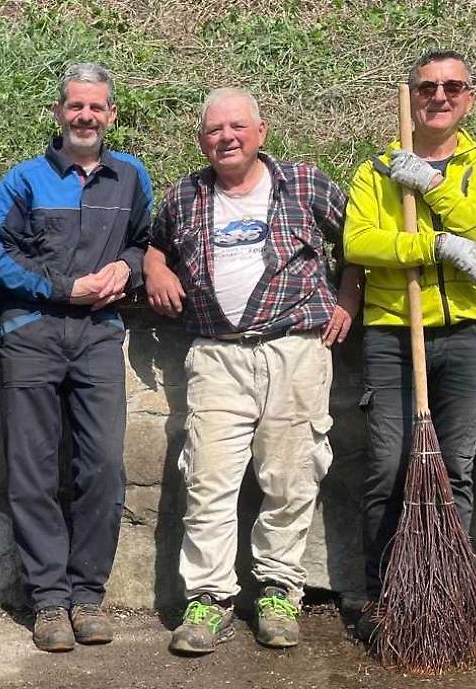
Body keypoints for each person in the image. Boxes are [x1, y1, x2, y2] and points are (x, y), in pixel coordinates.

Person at [145, 87, 361, 654]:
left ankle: (278, 593)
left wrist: (349, 301)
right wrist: (155, 268)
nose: (227, 138)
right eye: (215, 131)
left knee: (291, 479)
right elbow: (154, 243)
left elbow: (357, 242)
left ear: (260, 133)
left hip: (295, 351)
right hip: (218, 354)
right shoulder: (185, 195)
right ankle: (208, 599)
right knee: (208, 479)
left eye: (237, 127)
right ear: (202, 141)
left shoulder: (306, 183)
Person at [342, 50, 476, 642]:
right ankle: (383, 598)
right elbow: (360, 242)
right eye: (426, 88)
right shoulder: (377, 170)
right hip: (395, 331)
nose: (438, 97)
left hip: (468, 333)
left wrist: (436, 190)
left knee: (454, 469)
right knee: (390, 467)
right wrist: (434, 248)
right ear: (412, 96)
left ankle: (441, 600)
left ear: (469, 97)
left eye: (452, 87)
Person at [0, 63, 152, 652]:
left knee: (102, 467)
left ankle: (87, 596)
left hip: (99, 335)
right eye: (75, 107)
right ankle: (49, 601)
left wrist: (126, 269)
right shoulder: (25, 180)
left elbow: (145, 241)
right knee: (31, 471)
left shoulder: (131, 177)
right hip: (32, 331)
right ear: (58, 113)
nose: (85, 116)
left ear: (110, 114)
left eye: (96, 108)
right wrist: (61, 288)